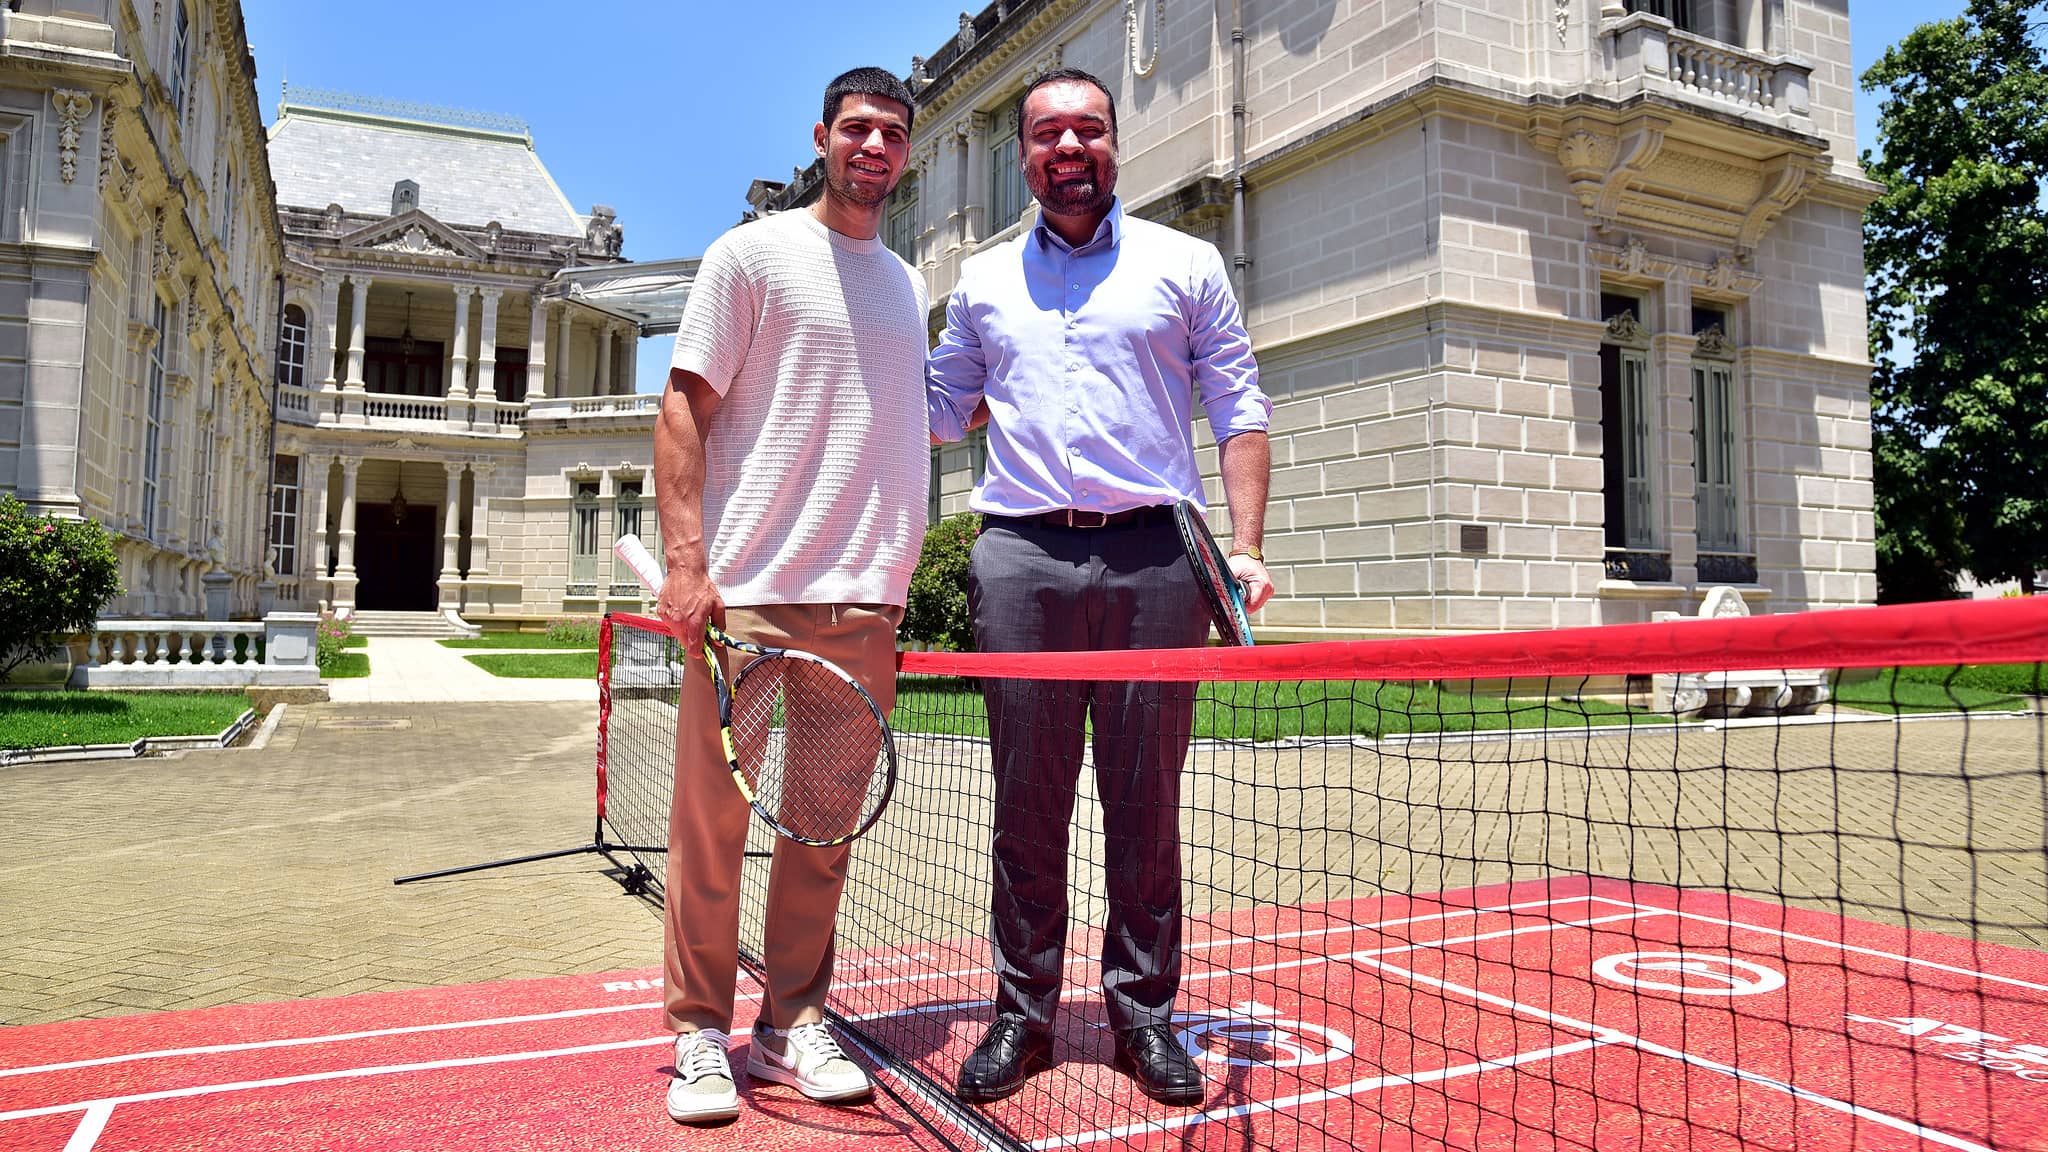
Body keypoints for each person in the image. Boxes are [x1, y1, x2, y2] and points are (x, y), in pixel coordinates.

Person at [926, 67, 1274, 1107]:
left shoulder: (1185, 261)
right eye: (1044, 135)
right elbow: (941, 409)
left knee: (1142, 801)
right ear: (1022, 157)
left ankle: (1144, 1018)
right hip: (1019, 557)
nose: (1066, 148)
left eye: (1086, 129)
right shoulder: (981, 283)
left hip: (1155, 559)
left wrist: (1243, 546)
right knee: (1024, 806)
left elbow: (1238, 402)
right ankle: (1021, 1017)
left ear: (1115, 142)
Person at [652, 66, 928, 1124]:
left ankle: (789, 1025)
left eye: (892, 133)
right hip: (750, 598)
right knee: (713, 831)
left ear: (905, 152)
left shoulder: (904, 284)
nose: (873, 146)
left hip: (864, 600)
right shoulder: (749, 255)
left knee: (819, 836)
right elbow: (683, 406)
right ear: (821, 137)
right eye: (856, 128)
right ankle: (697, 1038)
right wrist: (687, 561)